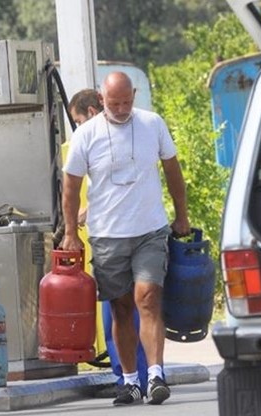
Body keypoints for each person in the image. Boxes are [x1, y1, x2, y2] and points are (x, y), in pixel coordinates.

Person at [61, 72, 190, 406]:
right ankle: (130, 381)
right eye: (114, 103)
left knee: (148, 297)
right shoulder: (86, 135)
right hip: (107, 235)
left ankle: (156, 375)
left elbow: (172, 171)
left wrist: (182, 215)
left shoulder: (152, 124)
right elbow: (71, 187)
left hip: (150, 230)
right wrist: (71, 233)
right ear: (101, 100)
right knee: (120, 308)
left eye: (127, 102)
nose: (121, 109)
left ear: (134, 95)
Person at [68, 88, 149, 397]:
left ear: (91, 112)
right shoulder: (124, 138)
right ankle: (143, 375)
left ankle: (128, 378)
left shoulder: (98, 140)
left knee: (118, 314)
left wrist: (81, 217)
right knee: (135, 310)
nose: (78, 127)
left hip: (115, 241)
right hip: (135, 235)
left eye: (78, 120)